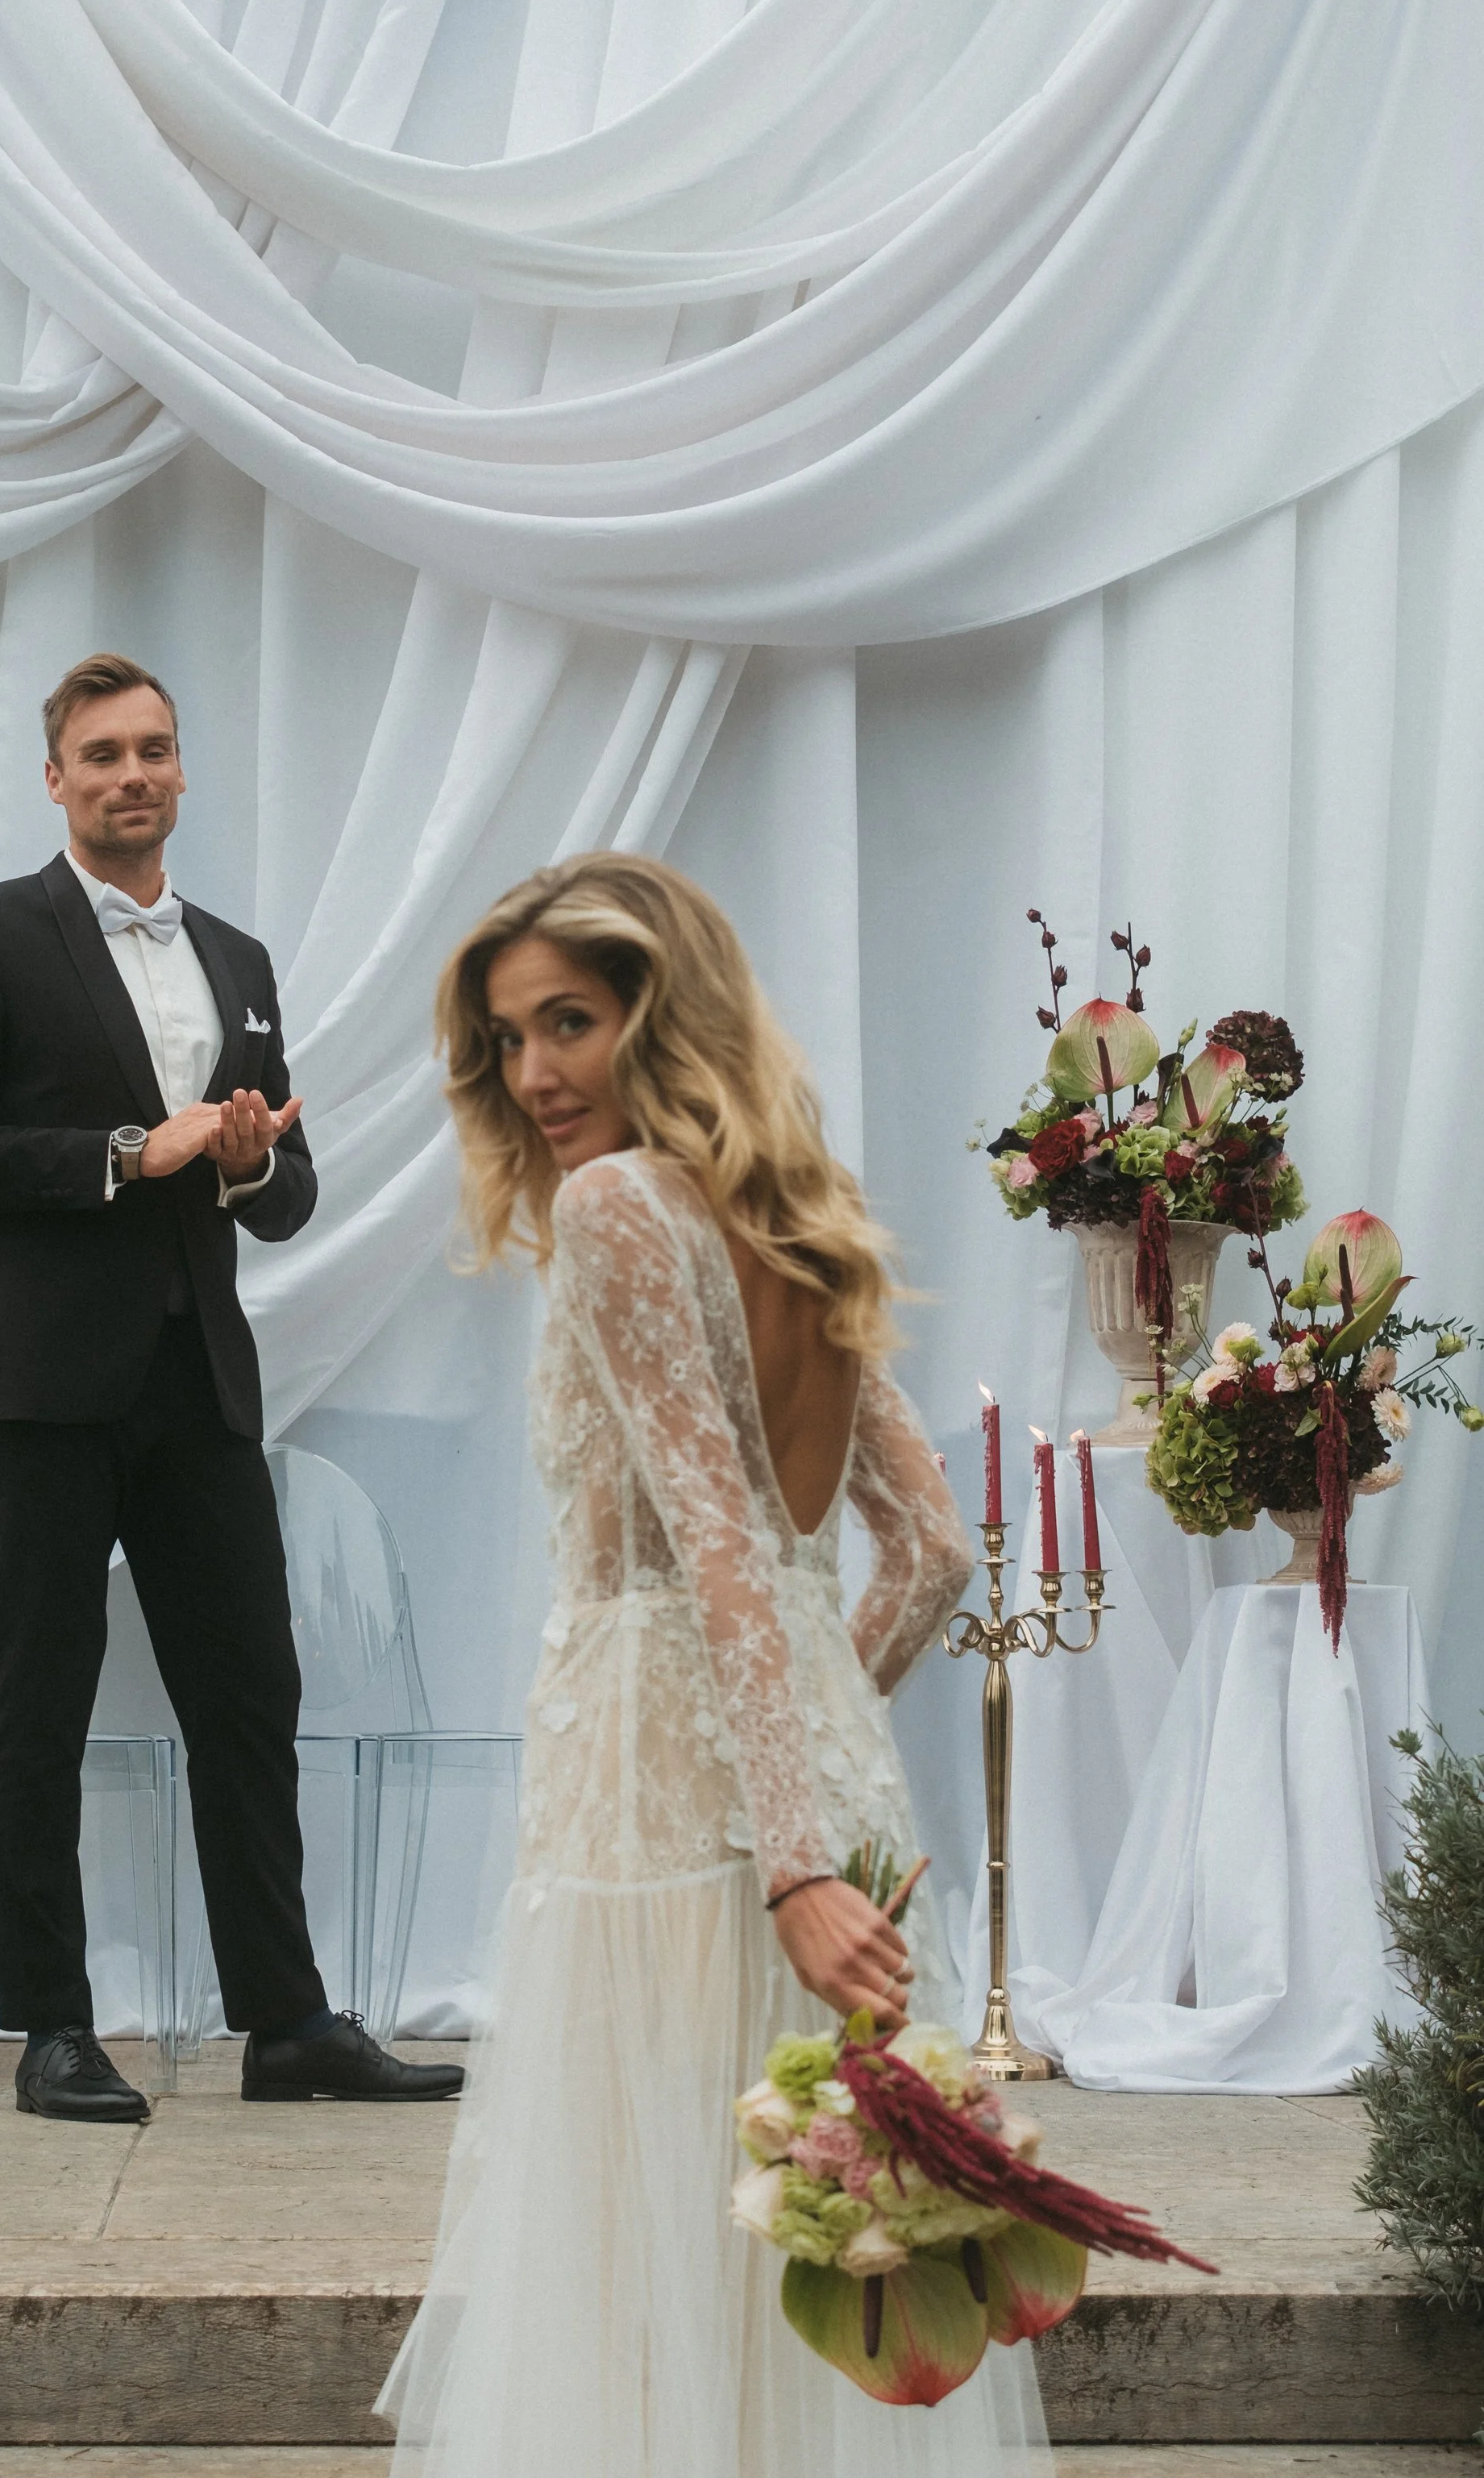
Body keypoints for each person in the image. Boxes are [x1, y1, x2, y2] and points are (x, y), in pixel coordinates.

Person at [378, 854, 1049, 2474]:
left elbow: (716, 1545)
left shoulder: (617, 1211)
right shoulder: (777, 1219)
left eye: (572, 1023)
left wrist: (781, 1857)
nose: (535, 1073)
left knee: (645, 2254)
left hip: (664, 1825)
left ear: (658, 1015)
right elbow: (931, 1556)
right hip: (815, 1803)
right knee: (787, 2261)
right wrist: (811, 1774)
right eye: (509, 1038)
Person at [0, 652, 463, 2121]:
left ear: (183, 770)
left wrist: (251, 1156)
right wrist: (115, 1155)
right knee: (43, 1701)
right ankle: (55, 2030)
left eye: (154, 750)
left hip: (197, 1381)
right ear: (57, 779)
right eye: (102, 755)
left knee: (249, 1694)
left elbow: (282, 1199)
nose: (132, 775)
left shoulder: (241, 958)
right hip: (41, 1388)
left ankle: (285, 2024)